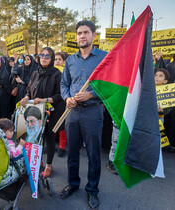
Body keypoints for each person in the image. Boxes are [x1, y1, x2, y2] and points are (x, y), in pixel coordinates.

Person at [60, 20, 107, 209]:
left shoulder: (104, 58)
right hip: (72, 112)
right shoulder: (70, 60)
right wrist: (66, 98)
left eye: (86, 32)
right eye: (79, 33)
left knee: (94, 154)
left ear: (94, 35)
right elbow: (64, 84)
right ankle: (73, 184)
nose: (82, 36)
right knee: (72, 152)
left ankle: (92, 190)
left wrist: (91, 94)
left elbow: (110, 86)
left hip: (93, 112)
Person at [20, 47, 64, 179]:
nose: (44, 58)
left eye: (47, 56)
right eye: (42, 55)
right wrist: (27, 97)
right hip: (35, 111)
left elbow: (59, 95)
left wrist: (44, 100)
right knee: (35, 138)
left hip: (50, 112)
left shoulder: (56, 74)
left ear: (51, 59)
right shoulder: (35, 72)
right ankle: (38, 161)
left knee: (49, 139)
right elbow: (29, 89)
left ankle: (49, 166)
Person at [54, 52, 67, 157]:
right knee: (51, 123)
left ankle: (62, 146)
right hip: (51, 101)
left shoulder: (66, 72)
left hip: (62, 101)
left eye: (59, 59)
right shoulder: (51, 72)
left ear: (63, 61)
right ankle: (52, 145)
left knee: (62, 124)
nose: (57, 61)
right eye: (55, 59)